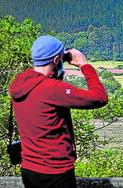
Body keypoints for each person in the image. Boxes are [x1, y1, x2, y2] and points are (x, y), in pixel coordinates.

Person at [9, 35, 108, 188]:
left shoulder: (21, 83)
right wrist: (84, 65)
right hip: (56, 172)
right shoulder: (52, 89)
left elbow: (48, 97)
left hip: (29, 168)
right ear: (56, 60)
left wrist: (58, 60)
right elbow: (99, 97)